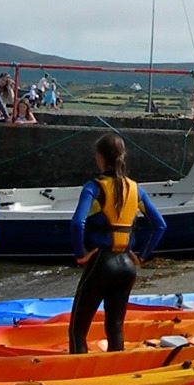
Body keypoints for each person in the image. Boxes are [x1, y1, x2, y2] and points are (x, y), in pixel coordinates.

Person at [69, 133, 166, 352]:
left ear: (100, 158)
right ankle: (117, 373)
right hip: (127, 265)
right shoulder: (136, 188)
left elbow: (77, 224)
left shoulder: (93, 188)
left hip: (101, 262)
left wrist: (80, 254)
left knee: (78, 329)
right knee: (115, 327)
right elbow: (159, 225)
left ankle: (77, 375)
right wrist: (141, 255)